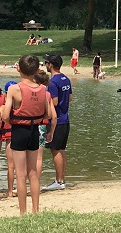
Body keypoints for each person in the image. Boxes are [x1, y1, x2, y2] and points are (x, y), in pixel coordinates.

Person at [6, 54, 56, 215]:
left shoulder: (14, 89)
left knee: (20, 174)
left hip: (19, 131)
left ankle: (22, 212)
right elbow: (48, 114)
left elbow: (6, 116)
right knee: (33, 173)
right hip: (35, 130)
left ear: (18, 68)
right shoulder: (44, 90)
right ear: (36, 70)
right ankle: (36, 210)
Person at [42, 54, 72, 191]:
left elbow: (53, 102)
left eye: (46, 62)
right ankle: (61, 179)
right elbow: (70, 98)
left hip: (57, 120)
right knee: (61, 150)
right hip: (65, 119)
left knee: (55, 150)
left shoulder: (53, 82)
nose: (45, 64)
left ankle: (59, 181)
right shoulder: (66, 79)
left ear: (51, 65)